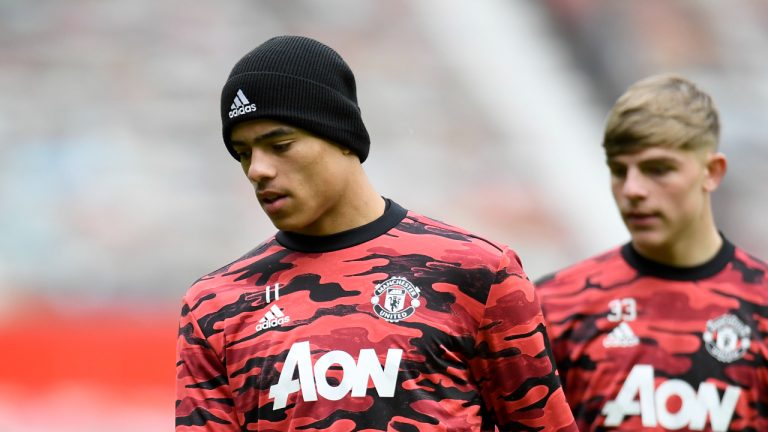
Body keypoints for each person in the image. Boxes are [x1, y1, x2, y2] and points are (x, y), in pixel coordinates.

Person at [174, 35, 576, 431]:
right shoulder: (214, 305)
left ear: (341, 136)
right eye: (243, 153)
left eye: (280, 144)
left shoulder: (477, 272)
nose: (257, 169)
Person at [535, 73, 768, 431]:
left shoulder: (761, 304)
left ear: (712, 172)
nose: (633, 190)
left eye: (657, 169)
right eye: (618, 170)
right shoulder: (553, 305)